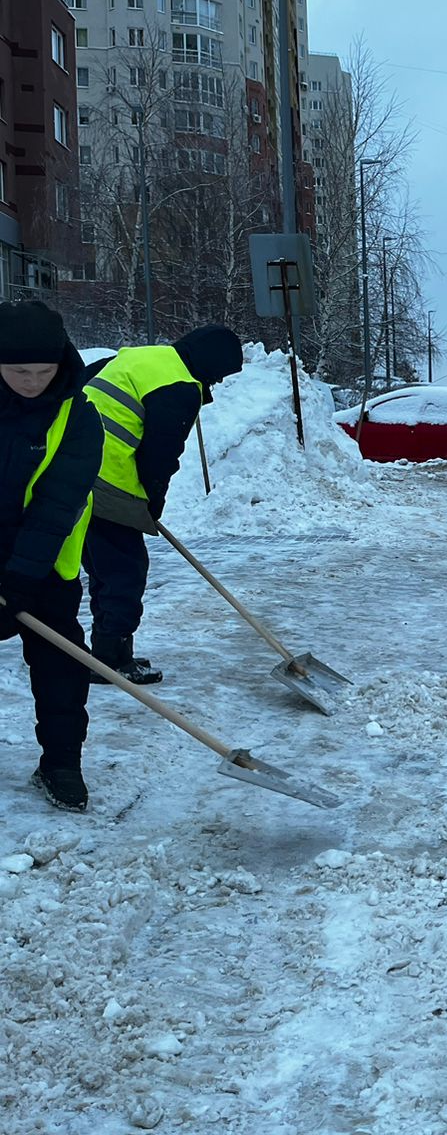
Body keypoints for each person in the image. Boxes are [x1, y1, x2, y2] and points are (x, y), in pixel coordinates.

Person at [81, 324, 244, 684]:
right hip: (107, 480)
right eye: (218, 376)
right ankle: (109, 660)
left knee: (105, 570)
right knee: (125, 572)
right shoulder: (179, 388)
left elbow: (81, 382)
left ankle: (110, 651)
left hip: (73, 474)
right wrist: (151, 504)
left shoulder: (143, 357)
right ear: (209, 364)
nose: (215, 384)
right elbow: (160, 457)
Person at [0, 302, 102, 811]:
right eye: (19, 370)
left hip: (45, 567)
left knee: (61, 664)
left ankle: (61, 763)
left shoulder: (78, 416)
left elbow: (58, 503)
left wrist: (19, 577)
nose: (32, 382)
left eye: (44, 371)